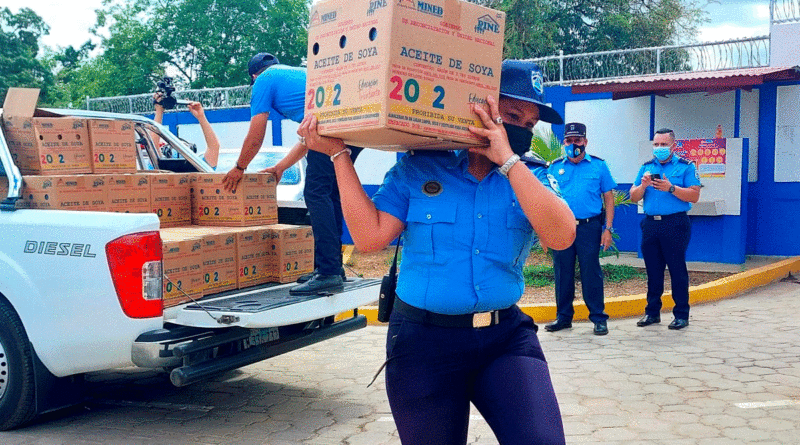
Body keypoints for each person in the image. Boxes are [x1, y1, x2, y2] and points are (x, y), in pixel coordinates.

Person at [298, 60, 575, 445]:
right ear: (479, 106)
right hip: (422, 343)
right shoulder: (419, 168)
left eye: (528, 125)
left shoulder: (532, 175)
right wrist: (339, 156)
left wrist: (508, 160)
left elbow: (562, 237)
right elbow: (370, 237)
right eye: (511, 115)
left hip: (504, 339)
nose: (519, 129)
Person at [220, 52, 362, 295]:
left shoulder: (264, 81)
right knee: (329, 195)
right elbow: (307, 141)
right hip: (351, 125)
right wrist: (280, 167)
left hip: (330, 129)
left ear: (254, 76)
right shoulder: (296, 74)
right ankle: (332, 268)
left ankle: (328, 272)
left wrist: (240, 167)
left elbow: (256, 134)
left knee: (316, 193)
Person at [545, 122, 616, 336]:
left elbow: (609, 198)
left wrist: (608, 229)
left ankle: (598, 318)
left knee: (591, 272)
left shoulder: (599, 166)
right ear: (564, 142)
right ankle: (563, 317)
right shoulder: (554, 167)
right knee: (562, 272)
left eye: (577, 140)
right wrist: (545, 231)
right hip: (561, 227)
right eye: (569, 140)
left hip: (589, 227)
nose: (573, 144)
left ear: (585, 142)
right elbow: (546, 199)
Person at [629, 128, 701, 330]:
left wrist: (671, 188)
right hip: (651, 224)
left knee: (677, 269)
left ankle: (681, 315)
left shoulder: (685, 167)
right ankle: (652, 313)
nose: (659, 148)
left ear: (673, 145)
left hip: (675, 224)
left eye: (663, 144)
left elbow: (694, 196)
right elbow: (633, 196)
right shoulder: (646, 167)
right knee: (653, 270)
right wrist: (643, 186)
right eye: (656, 144)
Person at [152, 92, 220, 168]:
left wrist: (159, 111)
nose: (179, 147)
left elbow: (152, 147)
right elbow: (214, 146)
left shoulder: (158, 168)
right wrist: (201, 117)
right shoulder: (201, 168)